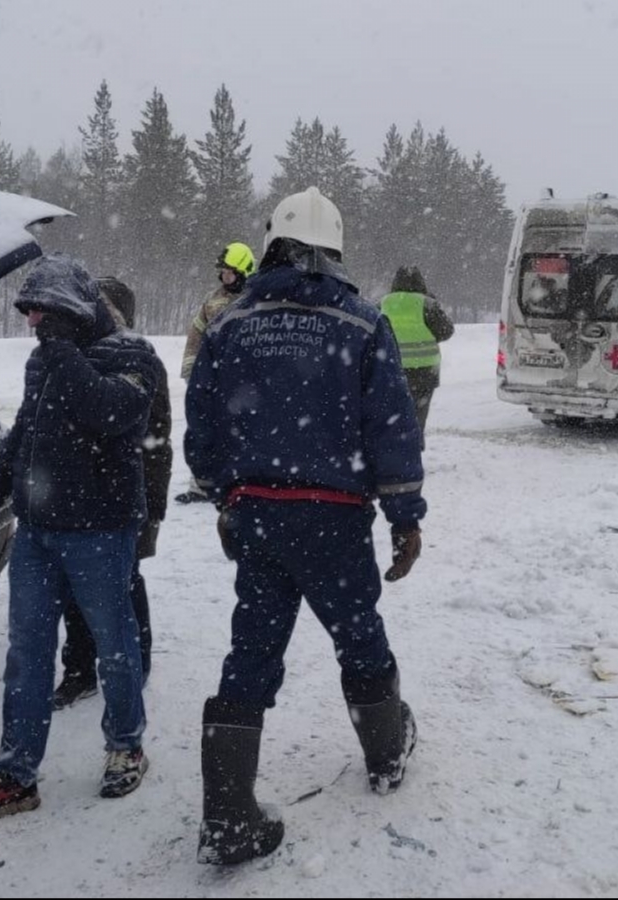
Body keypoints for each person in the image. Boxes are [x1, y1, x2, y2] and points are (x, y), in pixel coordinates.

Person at [185, 187, 427, 866]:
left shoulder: (231, 323)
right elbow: (392, 430)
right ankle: (384, 756)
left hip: (258, 516)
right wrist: (405, 517)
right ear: (335, 249)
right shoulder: (361, 323)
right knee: (359, 637)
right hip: (336, 521)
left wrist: (226, 497)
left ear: (274, 246)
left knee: (252, 650)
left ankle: (229, 816)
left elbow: (201, 425)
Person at [0, 255, 164, 828]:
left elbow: (110, 413)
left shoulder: (133, 356)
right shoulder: (43, 360)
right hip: (38, 534)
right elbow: (28, 428)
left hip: (101, 530)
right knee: (27, 652)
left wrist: (64, 351)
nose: (34, 325)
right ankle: (16, 774)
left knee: (114, 645)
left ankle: (126, 746)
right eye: (31, 315)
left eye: (43, 313)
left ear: (72, 310)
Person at [52, 277, 172, 709]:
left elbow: (157, 446)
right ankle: (80, 671)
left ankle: (136, 664)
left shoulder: (142, 361)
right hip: (75, 499)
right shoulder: (74, 357)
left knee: (125, 583)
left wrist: (152, 512)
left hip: (123, 501)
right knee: (73, 588)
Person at [175, 241, 257, 505]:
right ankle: (199, 485)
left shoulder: (257, 299)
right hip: (213, 376)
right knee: (204, 428)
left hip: (246, 380)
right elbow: (196, 332)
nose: (225, 277)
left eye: (230, 272)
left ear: (244, 271)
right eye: (222, 272)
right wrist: (190, 366)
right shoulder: (213, 300)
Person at [379, 266, 455, 440]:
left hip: (390, 369)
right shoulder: (427, 304)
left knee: (392, 413)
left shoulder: (383, 303)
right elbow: (447, 330)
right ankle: (414, 448)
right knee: (418, 415)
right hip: (424, 371)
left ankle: (393, 448)